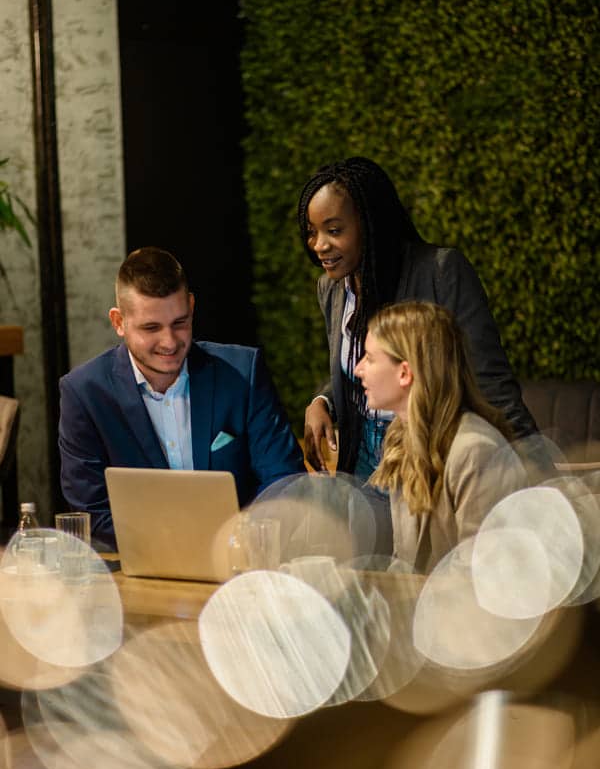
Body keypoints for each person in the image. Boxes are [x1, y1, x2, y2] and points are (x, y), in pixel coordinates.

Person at [298, 156, 540, 479]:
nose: (319, 245)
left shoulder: (441, 272)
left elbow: (493, 387)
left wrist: (543, 486)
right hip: (362, 468)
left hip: (428, 462)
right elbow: (362, 363)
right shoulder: (332, 288)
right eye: (312, 232)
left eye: (334, 230)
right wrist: (321, 401)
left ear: (370, 223)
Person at [59, 247, 305, 546]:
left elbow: (284, 481)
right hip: (141, 569)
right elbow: (92, 509)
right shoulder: (84, 393)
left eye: (180, 323)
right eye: (151, 328)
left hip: (239, 562)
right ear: (118, 322)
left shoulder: (243, 373)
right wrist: (179, 542)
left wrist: (238, 541)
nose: (170, 342)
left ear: (190, 305)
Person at [354, 301, 528, 572]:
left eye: (370, 358)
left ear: (404, 373)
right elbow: (405, 563)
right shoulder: (401, 438)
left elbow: (484, 577)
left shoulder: (477, 452)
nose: (358, 369)